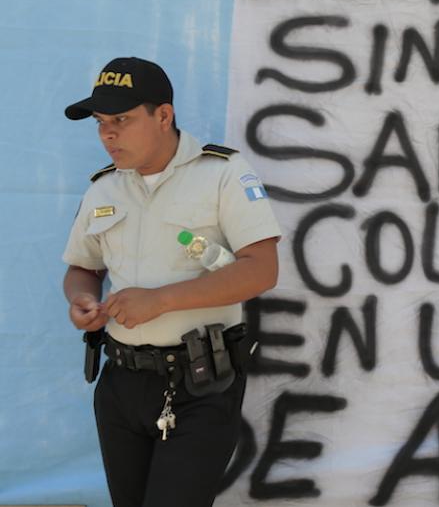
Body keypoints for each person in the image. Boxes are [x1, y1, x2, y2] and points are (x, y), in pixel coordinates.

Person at [61, 56, 281, 507]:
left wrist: (161, 301)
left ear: (164, 115)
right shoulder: (104, 188)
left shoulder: (223, 174)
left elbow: (261, 268)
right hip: (120, 383)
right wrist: (81, 298)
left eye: (121, 119)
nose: (107, 134)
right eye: (101, 122)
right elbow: (83, 266)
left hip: (200, 383)